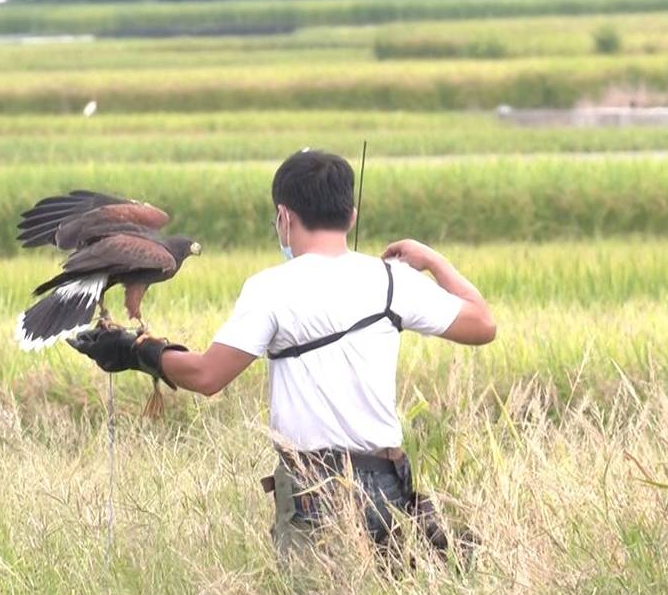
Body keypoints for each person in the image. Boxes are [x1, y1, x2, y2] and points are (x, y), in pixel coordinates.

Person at [69, 149, 496, 567]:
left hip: (314, 490)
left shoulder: (271, 288)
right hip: (388, 485)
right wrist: (432, 259)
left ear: (284, 217)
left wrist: (136, 351)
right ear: (351, 216)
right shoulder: (392, 280)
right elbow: (483, 324)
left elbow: (206, 375)